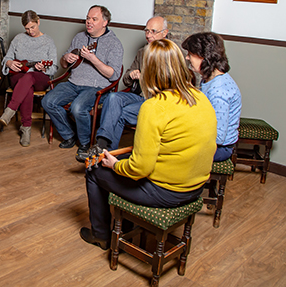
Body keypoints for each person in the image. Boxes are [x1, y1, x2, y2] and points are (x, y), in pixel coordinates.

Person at [80, 39, 217, 249]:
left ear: (149, 71)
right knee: (122, 161)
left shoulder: (154, 106)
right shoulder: (201, 97)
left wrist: (115, 165)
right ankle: (124, 225)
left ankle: (101, 235)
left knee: (94, 169)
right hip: (197, 186)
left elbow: (139, 169)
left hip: (167, 192)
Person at [41, 5, 123, 157]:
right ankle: (69, 135)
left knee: (78, 108)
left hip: (97, 87)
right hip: (73, 83)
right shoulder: (79, 37)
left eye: (94, 19)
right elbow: (65, 64)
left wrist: (93, 59)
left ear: (105, 22)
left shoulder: (114, 44)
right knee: (47, 101)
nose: (89, 22)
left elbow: (113, 75)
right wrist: (66, 58)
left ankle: (84, 142)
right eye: (87, 18)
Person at [91, 16, 169, 160]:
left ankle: (107, 154)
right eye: (147, 31)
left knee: (121, 112)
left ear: (164, 33)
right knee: (113, 97)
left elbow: (169, 85)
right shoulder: (142, 52)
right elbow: (126, 80)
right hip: (139, 96)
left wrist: (144, 77)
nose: (148, 35)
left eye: (153, 31)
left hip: (157, 100)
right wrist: (132, 74)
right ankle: (102, 144)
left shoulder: (170, 54)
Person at [0, 10, 58, 146]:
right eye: (27, 28)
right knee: (27, 87)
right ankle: (26, 129)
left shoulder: (48, 41)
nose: (30, 31)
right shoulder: (19, 38)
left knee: (30, 76)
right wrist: (9, 63)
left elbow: (54, 67)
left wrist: (45, 68)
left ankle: (10, 110)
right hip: (19, 75)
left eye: (33, 27)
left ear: (38, 22)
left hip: (40, 77)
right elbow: (7, 58)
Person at [182, 32, 242, 161]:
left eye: (190, 54)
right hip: (209, 142)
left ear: (204, 57)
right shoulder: (209, 79)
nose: (187, 58)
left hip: (219, 148)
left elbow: (218, 137)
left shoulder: (219, 90)